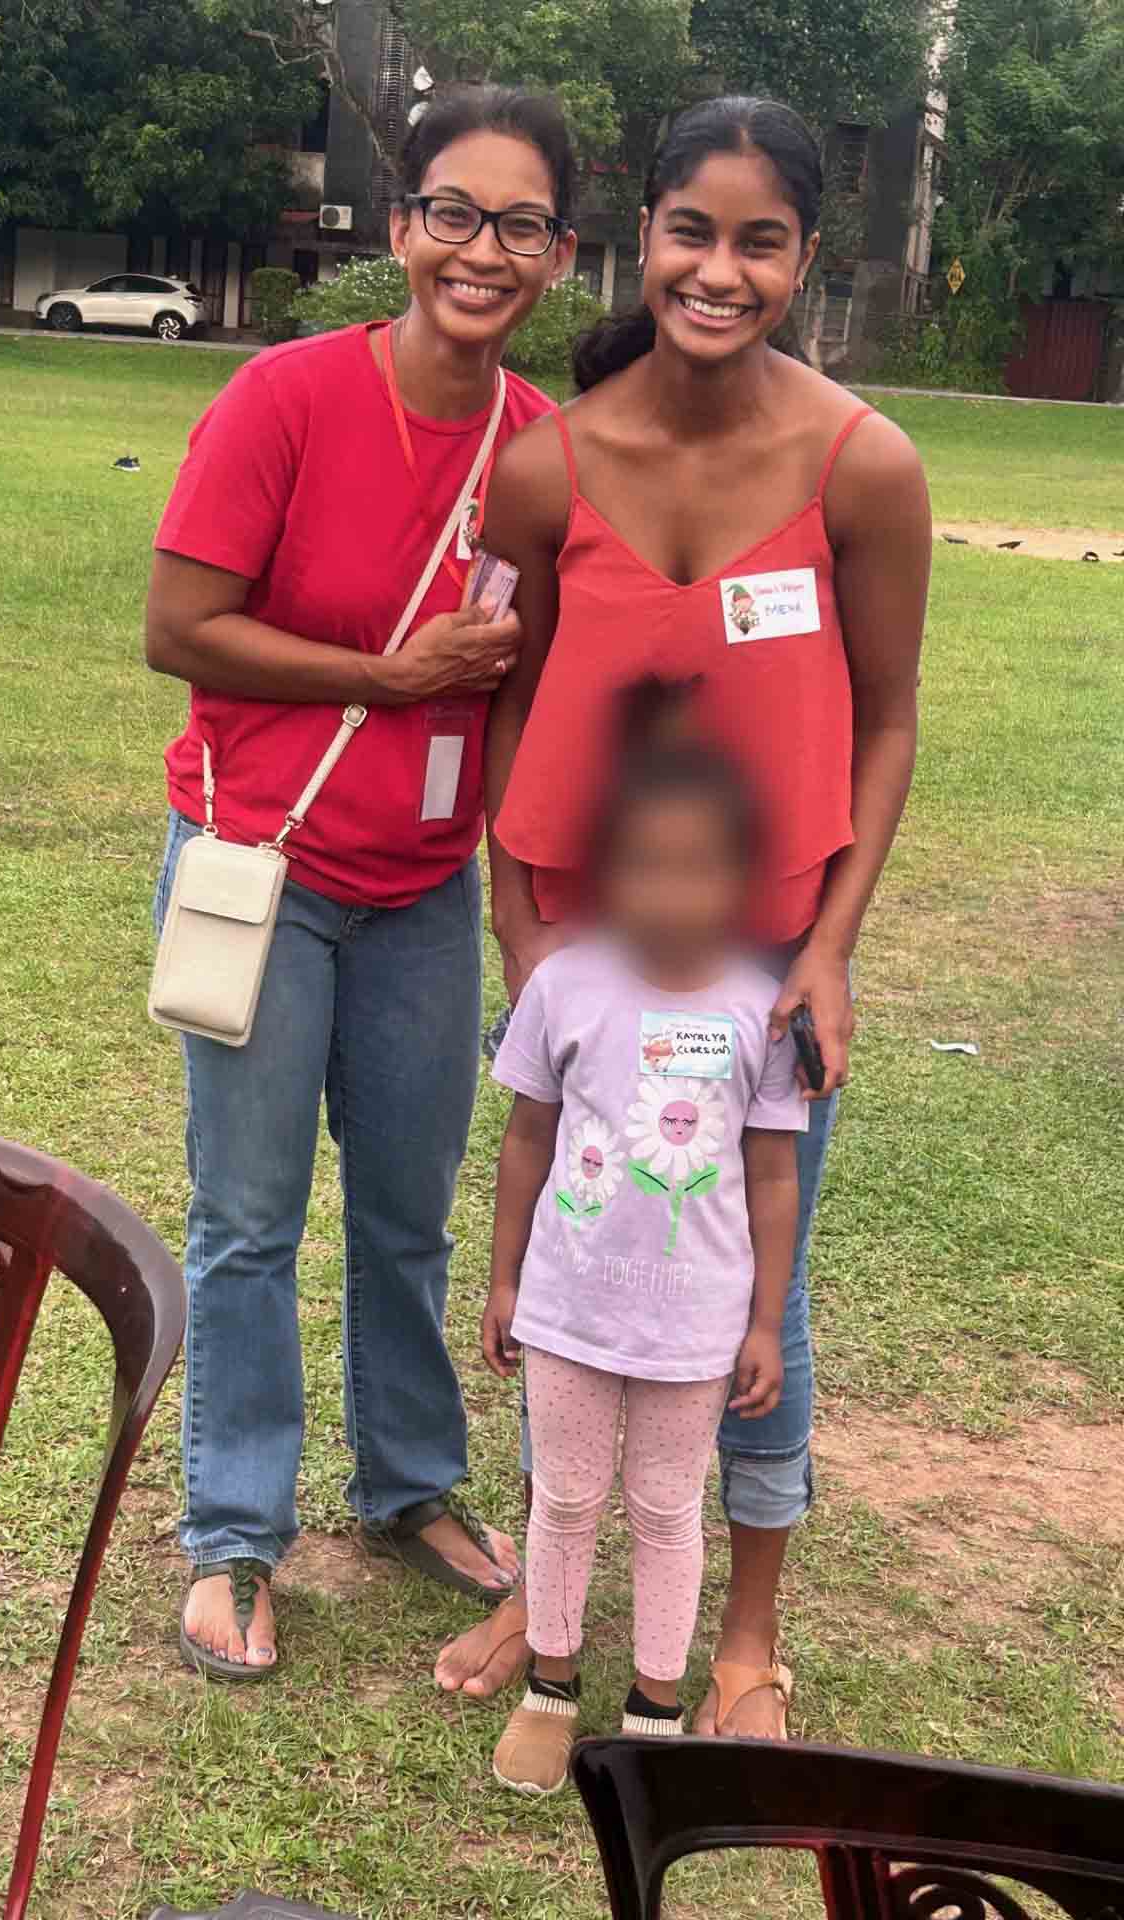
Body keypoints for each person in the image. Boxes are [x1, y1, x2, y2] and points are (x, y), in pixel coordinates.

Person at [435, 96, 932, 1736]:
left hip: (764, 977)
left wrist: (833, 950)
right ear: (641, 239)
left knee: (755, 1293)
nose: (720, 272)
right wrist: (519, 927)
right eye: (692, 233)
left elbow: (886, 722)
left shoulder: (864, 467)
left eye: (759, 242)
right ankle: (546, 1594)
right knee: (573, 1273)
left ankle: (747, 1635)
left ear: (807, 260)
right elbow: (505, 703)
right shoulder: (545, 466)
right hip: (582, 961)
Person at [143, 87, 580, 1679]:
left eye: (520, 225)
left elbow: (552, 679)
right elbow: (180, 628)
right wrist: (388, 679)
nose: (481, 250)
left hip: (425, 889)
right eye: (453, 212)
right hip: (261, 867)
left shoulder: (547, 448)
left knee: (406, 1213)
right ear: (400, 229)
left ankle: (408, 1487)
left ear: (560, 257)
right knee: (249, 1218)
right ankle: (234, 1536)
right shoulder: (286, 396)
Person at [487, 681, 807, 1795]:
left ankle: (655, 1709)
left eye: (698, 868)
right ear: (607, 874)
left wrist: (763, 1322)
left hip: (695, 1327)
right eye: (645, 866)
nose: (671, 893)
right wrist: (505, 1280)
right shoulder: (564, 988)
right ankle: (551, 1687)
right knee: (566, 1497)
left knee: (667, 1510)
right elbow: (527, 1138)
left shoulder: (759, 1010)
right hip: (570, 1308)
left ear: (742, 880)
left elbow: (774, 1173)